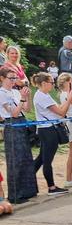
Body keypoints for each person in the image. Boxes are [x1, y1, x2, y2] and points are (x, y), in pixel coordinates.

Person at [0, 66, 37, 203]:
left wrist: (27, 96)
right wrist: (22, 98)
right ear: (2, 78)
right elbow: (13, 113)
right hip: (11, 124)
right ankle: (15, 195)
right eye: (11, 78)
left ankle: (28, 191)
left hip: (21, 123)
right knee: (15, 160)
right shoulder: (2, 93)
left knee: (25, 158)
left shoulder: (15, 92)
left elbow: (26, 109)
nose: (14, 80)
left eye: (15, 78)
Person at [32, 72, 72, 195]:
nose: (53, 84)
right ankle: (51, 187)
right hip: (48, 130)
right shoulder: (42, 96)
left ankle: (27, 181)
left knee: (41, 158)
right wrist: (69, 100)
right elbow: (61, 112)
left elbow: (57, 110)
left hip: (46, 129)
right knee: (47, 159)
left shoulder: (44, 95)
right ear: (44, 83)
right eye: (51, 82)